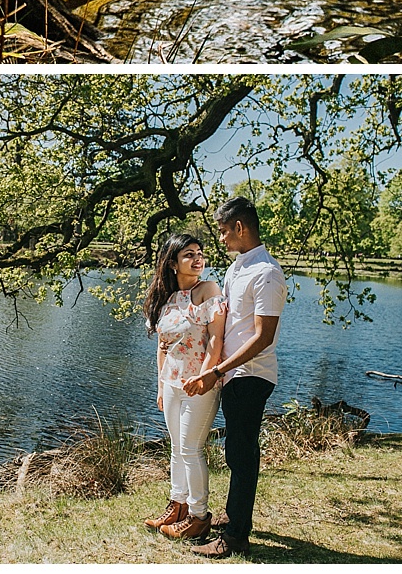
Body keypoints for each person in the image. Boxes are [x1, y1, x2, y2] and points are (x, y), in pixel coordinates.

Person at [186, 197, 287, 560]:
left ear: (240, 228)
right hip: (232, 373)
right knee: (235, 452)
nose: (223, 238)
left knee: (243, 454)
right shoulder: (236, 269)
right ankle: (235, 515)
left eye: (225, 231)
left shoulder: (267, 273)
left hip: (250, 375)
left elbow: (262, 338)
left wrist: (217, 370)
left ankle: (236, 537)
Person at [142, 231, 226, 543]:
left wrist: (205, 378)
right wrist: (161, 386)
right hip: (172, 384)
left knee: (191, 449)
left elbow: (217, 338)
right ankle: (177, 506)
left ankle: (199, 516)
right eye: (188, 254)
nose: (197, 258)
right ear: (173, 263)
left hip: (200, 384)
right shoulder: (168, 300)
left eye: (199, 252)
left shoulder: (208, 290)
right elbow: (162, 347)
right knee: (177, 449)